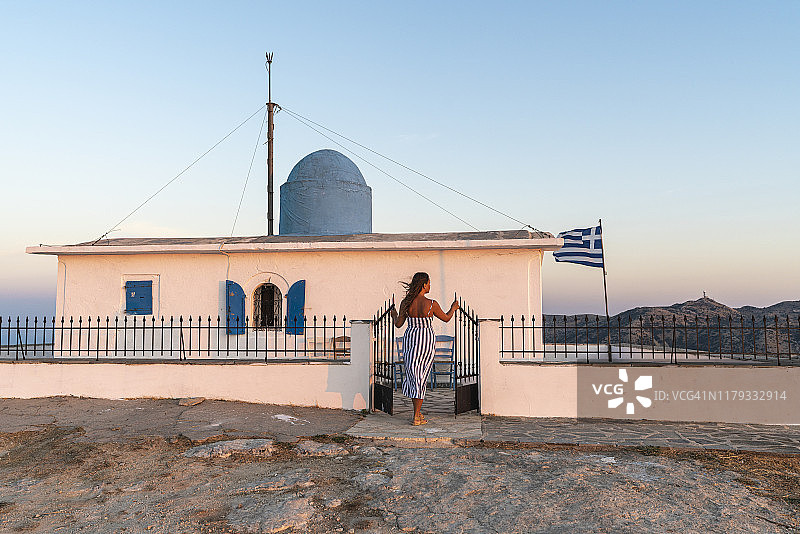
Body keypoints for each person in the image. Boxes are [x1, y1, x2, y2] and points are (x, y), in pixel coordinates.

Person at [390, 272, 459, 425]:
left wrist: (394, 314)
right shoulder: (431, 304)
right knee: (421, 376)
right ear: (423, 284)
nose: (430, 285)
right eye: (429, 282)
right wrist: (453, 308)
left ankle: (417, 413)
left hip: (410, 338)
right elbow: (446, 318)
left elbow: (398, 324)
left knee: (414, 374)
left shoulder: (406, 303)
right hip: (426, 340)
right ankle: (415, 415)